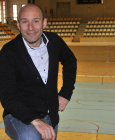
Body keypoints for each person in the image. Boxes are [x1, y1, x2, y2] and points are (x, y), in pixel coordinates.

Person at [0, 4, 77, 140]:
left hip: (50, 115)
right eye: (25, 21)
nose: (31, 27)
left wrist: (66, 93)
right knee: (31, 137)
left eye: (36, 21)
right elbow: (7, 97)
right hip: (18, 116)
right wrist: (36, 121)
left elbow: (70, 61)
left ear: (44, 23)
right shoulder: (8, 52)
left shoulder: (54, 42)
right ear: (18, 25)